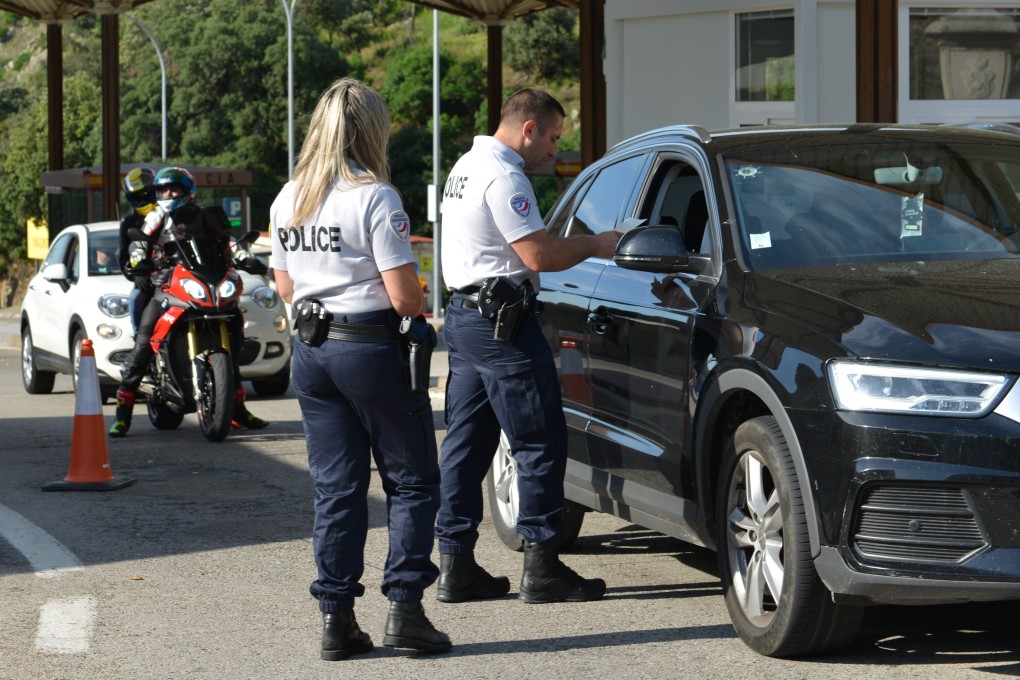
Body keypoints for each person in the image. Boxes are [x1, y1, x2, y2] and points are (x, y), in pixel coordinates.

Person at [269, 77, 450, 661]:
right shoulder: (376, 196)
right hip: (368, 347)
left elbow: (287, 286)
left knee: (337, 489)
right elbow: (405, 299)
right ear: (371, 131)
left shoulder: (288, 197)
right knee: (413, 479)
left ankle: (336, 619)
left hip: (312, 351)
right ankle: (405, 611)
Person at [436, 88, 622, 605]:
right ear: (528, 129)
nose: (555, 151)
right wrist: (596, 244)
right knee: (539, 441)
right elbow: (536, 254)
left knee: (466, 445)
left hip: (466, 318)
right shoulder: (503, 175)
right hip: (502, 327)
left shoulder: (465, 166)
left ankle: (455, 564)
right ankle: (542, 566)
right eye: (554, 138)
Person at [108, 166, 269, 437]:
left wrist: (242, 256)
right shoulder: (156, 217)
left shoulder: (203, 215)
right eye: (164, 190)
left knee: (234, 327)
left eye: (175, 189)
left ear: (188, 192)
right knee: (146, 339)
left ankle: (237, 409)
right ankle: (123, 410)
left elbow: (226, 240)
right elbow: (140, 243)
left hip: (201, 280)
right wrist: (139, 261)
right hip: (165, 284)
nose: (169, 194)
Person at [118, 166, 157, 334]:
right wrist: (137, 274)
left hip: (176, 273)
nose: (143, 199)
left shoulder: (169, 213)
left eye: (146, 193)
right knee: (135, 299)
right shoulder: (129, 222)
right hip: (148, 277)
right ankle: (139, 339)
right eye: (137, 197)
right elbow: (124, 256)